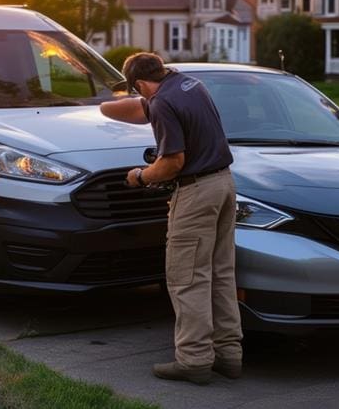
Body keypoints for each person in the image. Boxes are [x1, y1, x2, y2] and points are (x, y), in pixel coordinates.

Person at [99, 52, 242, 385]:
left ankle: (193, 360)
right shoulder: (190, 85)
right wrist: (100, 107)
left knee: (186, 277)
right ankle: (229, 354)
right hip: (224, 184)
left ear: (139, 84)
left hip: (195, 192)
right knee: (220, 273)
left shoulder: (162, 103)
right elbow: (139, 108)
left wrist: (141, 176)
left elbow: (172, 162)